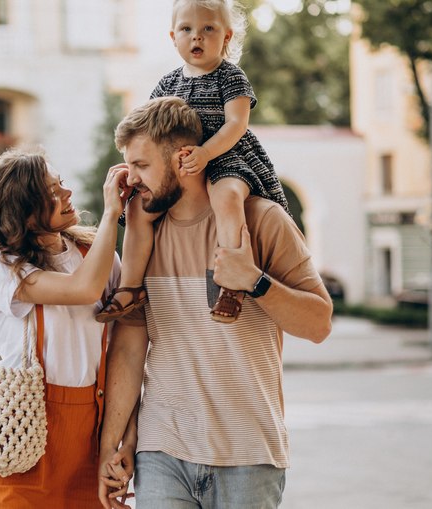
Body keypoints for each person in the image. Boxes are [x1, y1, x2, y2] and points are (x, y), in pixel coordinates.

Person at [97, 96, 333, 509]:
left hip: (248, 456)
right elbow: (129, 350)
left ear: (183, 159)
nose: (130, 179)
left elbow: (319, 324)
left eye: (141, 165)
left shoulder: (262, 220)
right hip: (162, 450)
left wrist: (255, 282)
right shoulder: (142, 236)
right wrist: (110, 446)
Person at [96, 0, 289, 325]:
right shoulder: (167, 83)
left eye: (208, 29)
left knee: (226, 197)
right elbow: (147, 131)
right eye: (186, 29)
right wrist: (138, 168)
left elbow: (236, 124)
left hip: (225, 157)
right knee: (138, 210)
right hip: (178, 166)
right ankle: (130, 285)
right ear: (173, 37)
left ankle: (230, 282)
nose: (196, 36)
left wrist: (206, 153)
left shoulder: (230, 76)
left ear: (226, 36)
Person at [0, 148, 130, 508]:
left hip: (90, 437)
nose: (67, 194)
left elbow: (126, 344)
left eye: (62, 184)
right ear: (25, 212)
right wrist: (111, 213)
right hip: (21, 437)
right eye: (52, 192)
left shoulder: (95, 255)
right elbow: (82, 290)